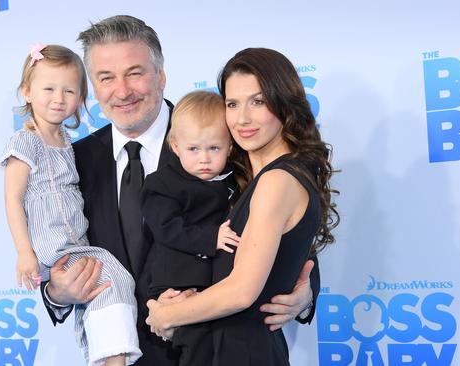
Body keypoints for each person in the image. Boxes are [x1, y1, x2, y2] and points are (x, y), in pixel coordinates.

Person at [40, 16, 321, 366]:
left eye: (135, 72)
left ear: (161, 76)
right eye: (106, 77)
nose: (122, 90)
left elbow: (284, 224)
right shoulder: (72, 162)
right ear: (92, 88)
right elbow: (56, 244)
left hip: (208, 351)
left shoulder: (221, 138)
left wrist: (304, 290)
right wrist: (57, 292)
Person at [145, 47, 340, 366]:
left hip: (240, 353)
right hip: (215, 348)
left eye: (258, 101)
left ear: (283, 103)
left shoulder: (277, 180)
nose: (242, 118)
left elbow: (241, 292)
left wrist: (166, 315)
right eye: (232, 104)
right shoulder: (241, 179)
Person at [0, 44, 141, 366]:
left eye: (69, 90)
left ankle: (107, 356)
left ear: (80, 98)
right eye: (48, 88)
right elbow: (12, 197)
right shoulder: (25, 142)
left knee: (99, 287)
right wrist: (24, 252)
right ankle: (114, 360)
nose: (58, 98)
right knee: (112, 275)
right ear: (27, 91)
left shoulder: (66, 143)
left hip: (75, 242)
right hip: (54, 245)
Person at [141, 90, 240, 366]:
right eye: (193, 149)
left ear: (230, 147)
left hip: (218, 289)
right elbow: (167, 228)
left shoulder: (235, 181)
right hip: (176, 282)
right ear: (175, 146)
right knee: (195, 344)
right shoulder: (161, 184)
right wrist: (211, 237)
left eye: (214, 148)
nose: (204, 159)